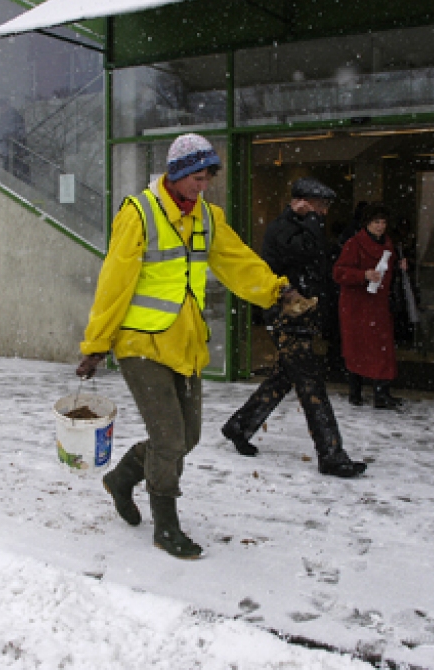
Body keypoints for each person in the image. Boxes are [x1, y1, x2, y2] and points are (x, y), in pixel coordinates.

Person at [75, 133, 308, 560]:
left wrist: (278, 291)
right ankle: (166, 526)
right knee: (168, 439)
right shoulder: (139, 213)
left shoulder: (208, 217)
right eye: (196, 178)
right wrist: (96, 344)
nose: (202, 187)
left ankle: (123, 478)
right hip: (140, 344)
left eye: (208, 179)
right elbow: (114, 283)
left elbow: (238, 263)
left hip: (185, 344)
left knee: (187, 438)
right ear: (177, 173)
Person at [220, 178, 368, 479]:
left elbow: (319, 265)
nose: (324, 213)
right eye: (320, 206)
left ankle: (239, 425)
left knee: (285, 377)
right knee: (311, 382)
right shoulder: (282, 229)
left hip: (304, 314)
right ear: (300, 202)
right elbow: (306, 255)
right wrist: (311, 220)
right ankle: (331, 454)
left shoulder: (304, 226)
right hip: (286, 315)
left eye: (325, 207)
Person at [333, 203, 408, 409]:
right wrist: (363, 275)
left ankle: (379, 392)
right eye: (376, 222)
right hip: (357, 305)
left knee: (380, 349)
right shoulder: (354, 244)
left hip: (378, 303)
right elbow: (339, 272)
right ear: (367, 223)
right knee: (359, 347)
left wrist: (399, 265)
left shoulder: (388, 245)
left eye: (383, 222)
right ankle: (358, 392)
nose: (380, 226)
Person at [0, 97, 27, 177]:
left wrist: (10, 137)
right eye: (1, 106)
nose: (2, 108)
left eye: (3, 105)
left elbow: (20, 132)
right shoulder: (3, 117)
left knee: (14, 173)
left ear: (7, 105)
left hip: (14, 150)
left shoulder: (14, 116)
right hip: (8, 152)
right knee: (8, 172)